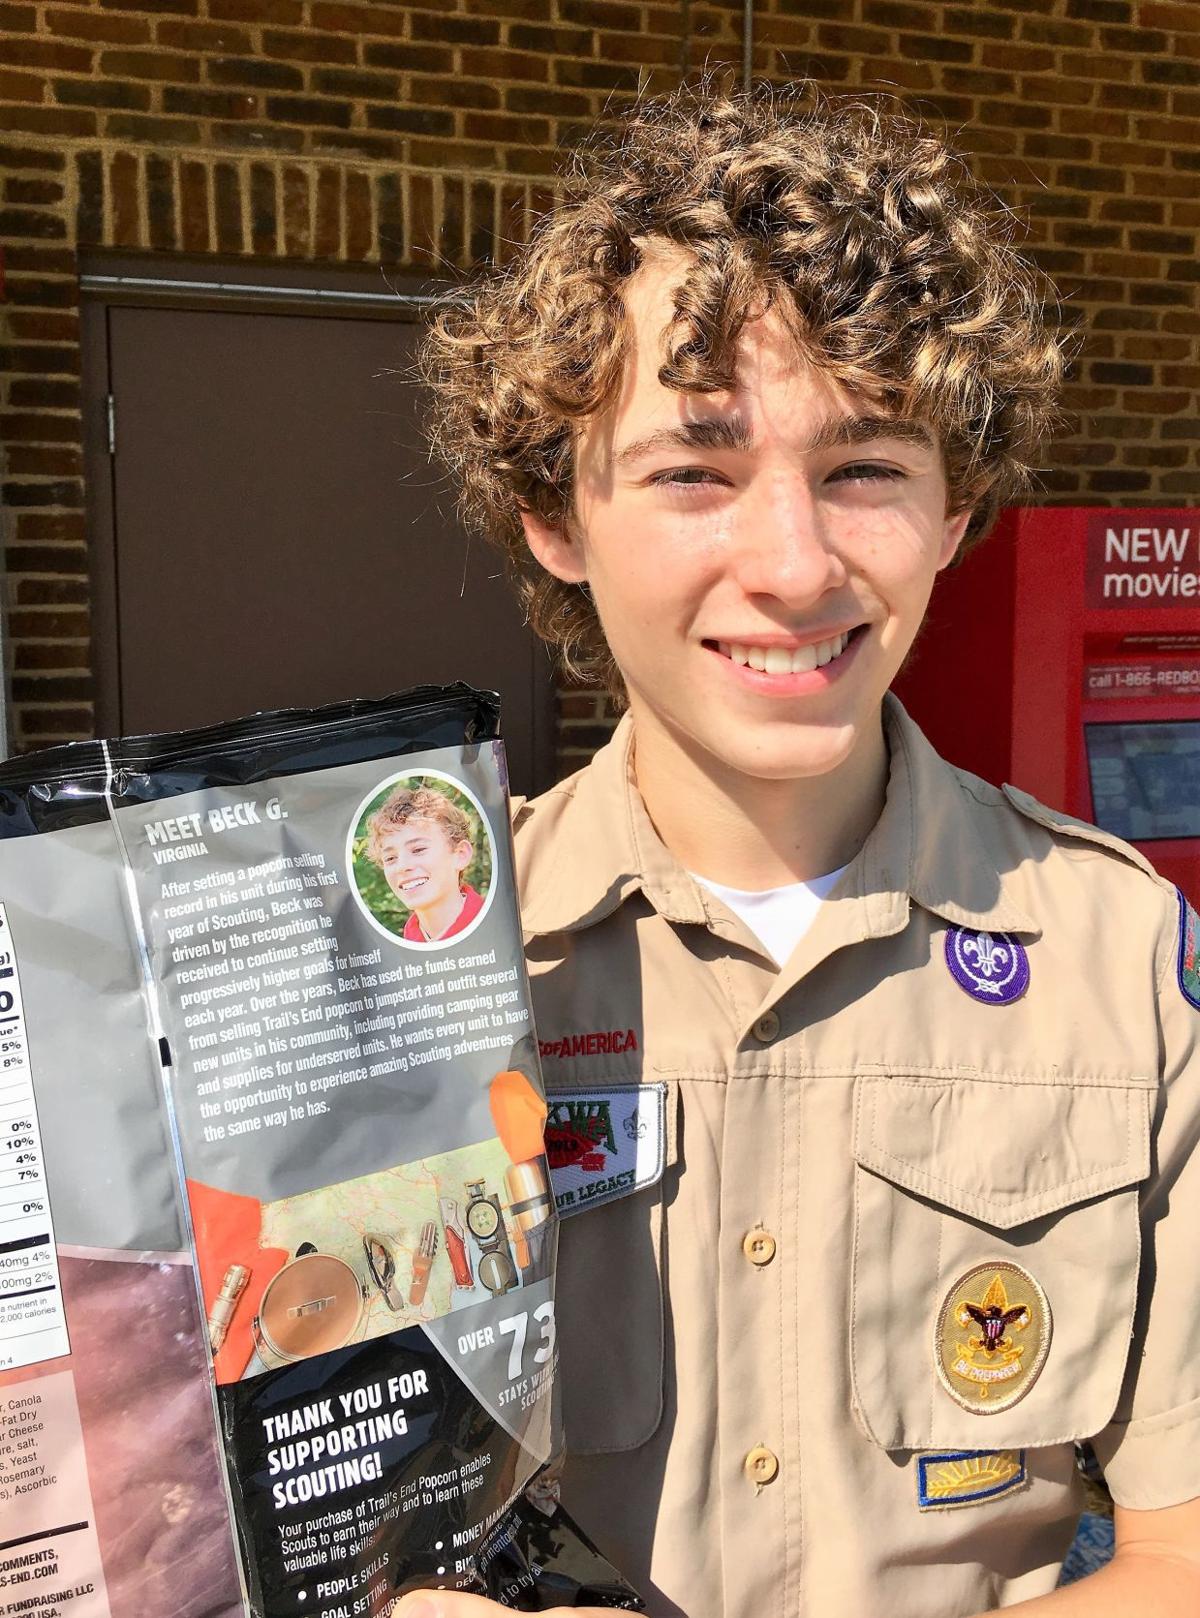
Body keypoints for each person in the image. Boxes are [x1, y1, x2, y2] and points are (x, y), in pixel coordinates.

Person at [400, 83, 1200, 1617]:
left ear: (954, 505)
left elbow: (1177, 1547)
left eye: (864, 468)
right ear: (553, 515)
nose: (791, 566)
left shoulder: (1122, 963)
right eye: (694, 470)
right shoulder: (428, 986)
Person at [362, 782, 483, 943]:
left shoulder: (500, 926)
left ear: (460, 855)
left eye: (418, 850)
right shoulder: (403, 950)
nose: (403, 867)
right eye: (390, 858)